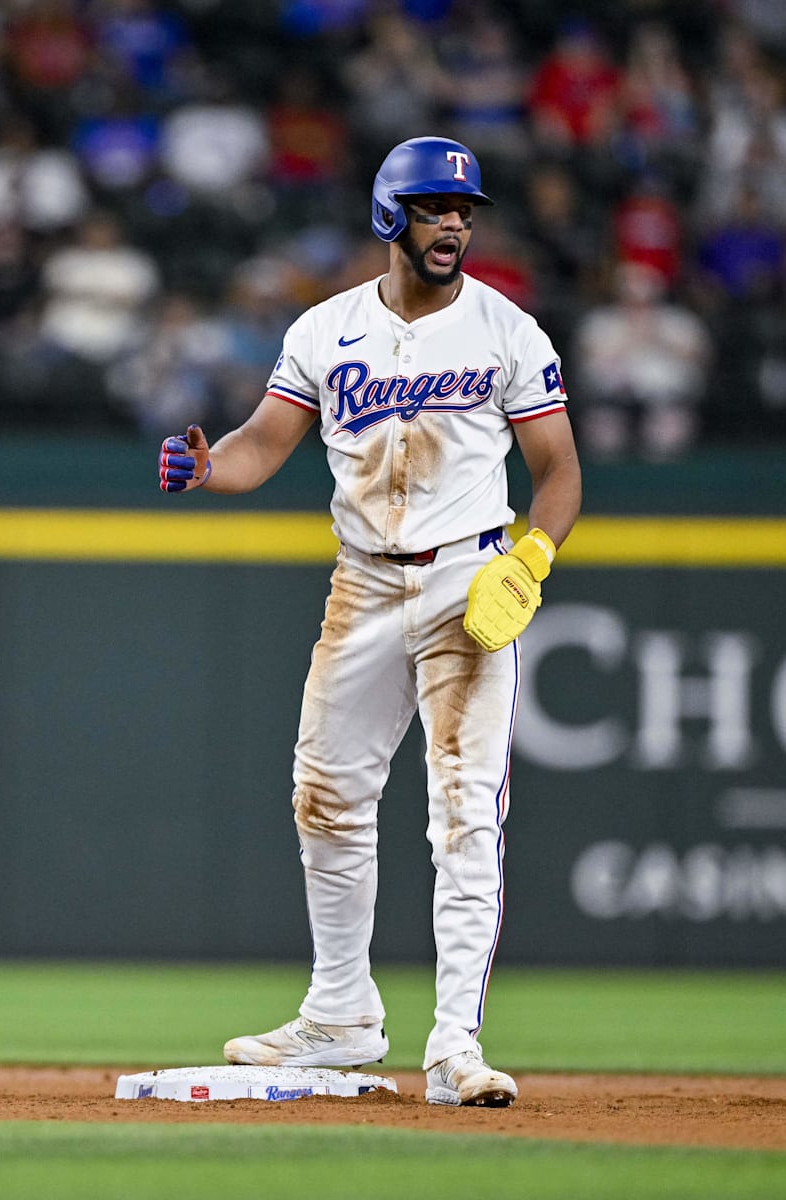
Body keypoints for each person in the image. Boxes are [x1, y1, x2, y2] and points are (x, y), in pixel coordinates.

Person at [159, 137, 581, 1107]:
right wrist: (208, 464)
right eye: (437, 208)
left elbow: (559, 471)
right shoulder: (325, 329)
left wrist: (532, 557)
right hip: (363, 584)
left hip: (469, 580)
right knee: (325, 795)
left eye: (466, 210)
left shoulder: (506, 328)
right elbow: (264, 444)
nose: (457, 225)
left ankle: (455, 1047)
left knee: (466, 812)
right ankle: (341, 1011)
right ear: (392, 214)